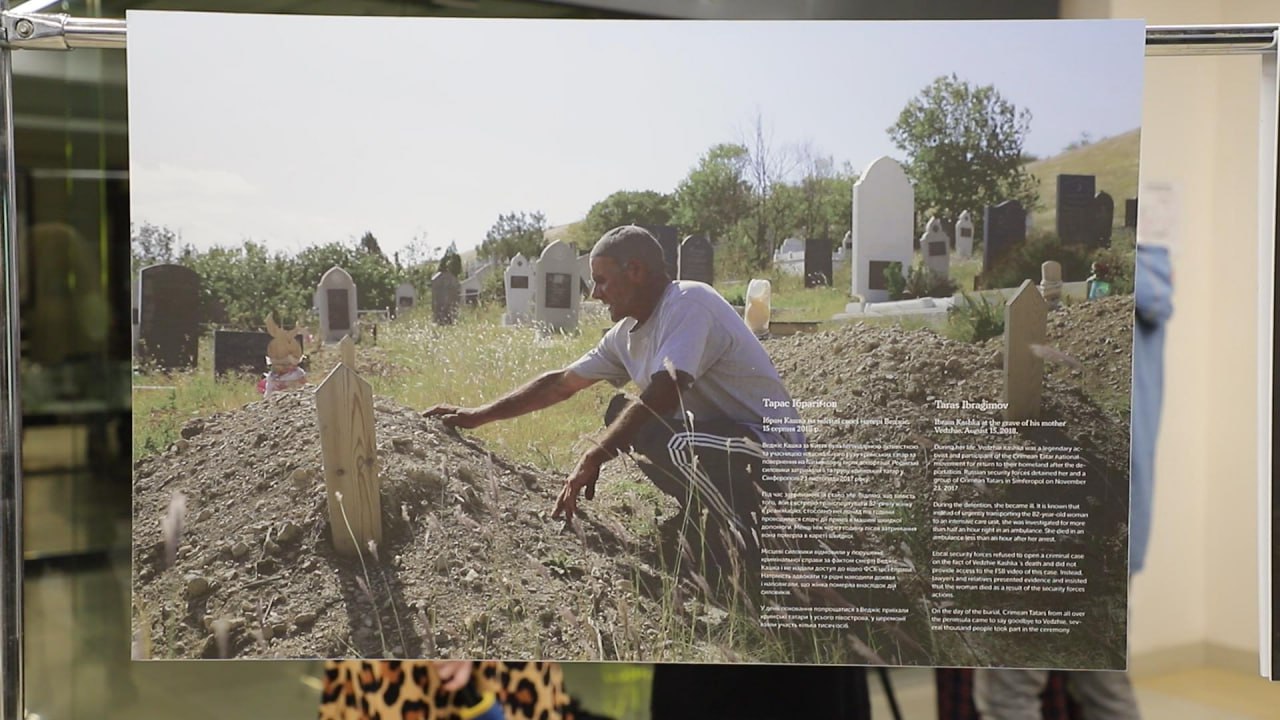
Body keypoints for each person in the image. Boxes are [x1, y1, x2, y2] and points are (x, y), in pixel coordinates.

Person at [426, 225, 869, 720]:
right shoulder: (626, 335)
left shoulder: (689, 303)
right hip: (719, 443)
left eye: (601, 280)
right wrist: (475, 416)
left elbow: (665, 389)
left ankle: (750, 542)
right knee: (621, 411)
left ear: (634, 271)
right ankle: (710, 519)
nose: (595, 294)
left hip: (768, 448)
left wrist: (595, 453)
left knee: (653, 429)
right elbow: (560, 384)